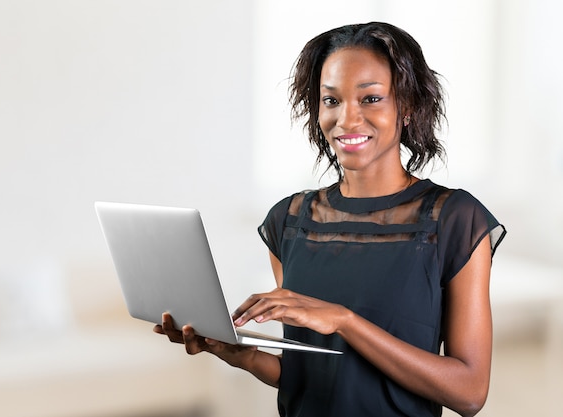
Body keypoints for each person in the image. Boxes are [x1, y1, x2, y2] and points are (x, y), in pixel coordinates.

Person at [154, 22, 506, 417]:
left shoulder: (454, 219)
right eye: (332, 100)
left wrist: (345, 322)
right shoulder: (288, 220)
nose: (347, 119)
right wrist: (243, 356)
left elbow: (469, 393)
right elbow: (306, 373)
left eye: (370, 99)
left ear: (407, 107)